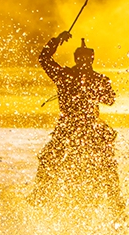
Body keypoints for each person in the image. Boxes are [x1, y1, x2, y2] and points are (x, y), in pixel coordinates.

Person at [31, 30, 123, 211]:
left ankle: (40, 194)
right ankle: (115, 198)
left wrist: (57, 41)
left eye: (85, 59)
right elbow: (110, 99)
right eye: (83, 59)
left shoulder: (66, 76)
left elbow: (44, 58)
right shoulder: (91, 78)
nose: (84, 62)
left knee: (50, 158)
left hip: (77, 127)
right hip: (83, 126)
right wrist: (56, 40)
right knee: (49, 158)